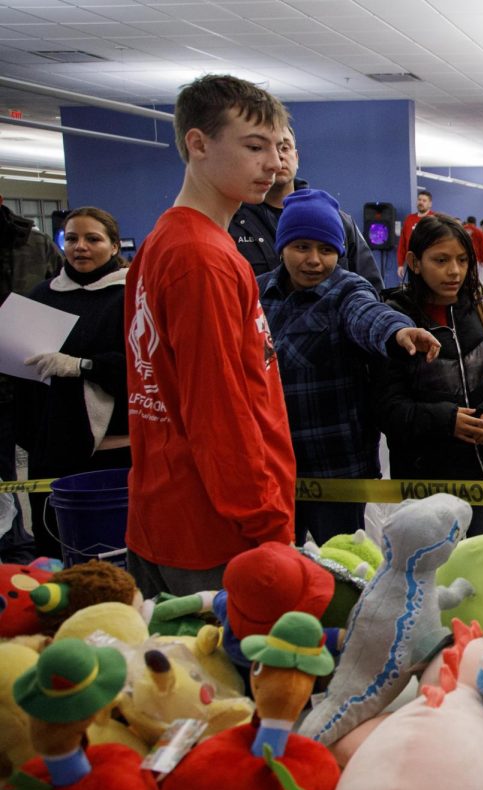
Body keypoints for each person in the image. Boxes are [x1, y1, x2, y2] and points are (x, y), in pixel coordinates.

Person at [124, 74, 295, 596]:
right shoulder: (202, 258)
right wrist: (268, 526)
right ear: (197, 144)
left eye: (278, 146)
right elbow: (218, 410)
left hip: (167, 514)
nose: (274, 163)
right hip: (216, 533)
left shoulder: (166, 241)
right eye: (253, 146)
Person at [257, 189, 439, 544]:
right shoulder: (256, 293)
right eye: (301, 247)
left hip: (337, 462)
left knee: (346, 568)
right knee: (277, 566)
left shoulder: (347, 289)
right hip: (274, 463)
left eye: (326, 250)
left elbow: (368, 315)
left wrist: (398, 330)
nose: (314, 260)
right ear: (282, 247)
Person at [373, 214, 483, 537]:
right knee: (431, 572)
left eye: (462, 260)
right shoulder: (395, 322)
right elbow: (386, 407)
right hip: (424, 480)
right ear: (414, 263)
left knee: (479, 564)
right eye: (441, 260)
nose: (455, 272)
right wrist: (446, 420)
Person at [18, 207, 131, 559]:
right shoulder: (40, 296)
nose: (80, 247)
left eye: (93, 239)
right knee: (53, 543)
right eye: (71, 239)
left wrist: (83, 366)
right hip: (51, 446)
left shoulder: (130, 296)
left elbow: (144, 369)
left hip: (113, 448)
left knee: (111, 548)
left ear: (114, 247)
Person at [228, 126, 382, 290]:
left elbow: (372, 289)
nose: (277, 156)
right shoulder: (230, 221)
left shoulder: (338, 220)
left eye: (284, 148)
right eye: (261, 149)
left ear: (296, 157)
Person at [1, 194, 63, 563]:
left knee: (22, 473)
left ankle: (19, 547)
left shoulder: (34, 245)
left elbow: (62, 299)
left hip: (27, 381)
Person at [396, 189, 433, 278]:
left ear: (430, 204)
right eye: (419, 200)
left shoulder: (434, 219)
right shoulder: (409, 219)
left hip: (429, 261)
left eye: (424, 201)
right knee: (414, 288)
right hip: (412, 262)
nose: (421, 202)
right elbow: (402, 242)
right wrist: (400, 264)